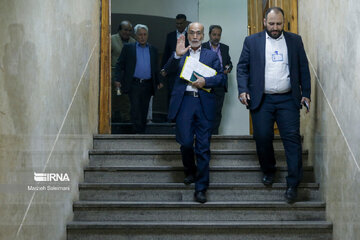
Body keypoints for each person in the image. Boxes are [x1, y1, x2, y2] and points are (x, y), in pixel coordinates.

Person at [237, 7, 311, 203]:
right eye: (271, 24)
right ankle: (269, 170)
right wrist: (243, 89)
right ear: (264, 22)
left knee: (292, 140)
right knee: (262, 137)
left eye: (279, 24)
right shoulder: (252, 41)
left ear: (283, 22)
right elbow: (242, 68)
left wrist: (307, 94)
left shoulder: (295, 41)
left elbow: (303, 68)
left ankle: (293, 184)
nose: (275, 28)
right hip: (262, 100)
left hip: (288, 99)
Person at [166, 22, 226, 203]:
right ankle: (190, 170)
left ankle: (201, 188)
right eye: (191, 33)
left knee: (203, 147)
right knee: (185, 143)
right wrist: (176, 55)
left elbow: (221, 77)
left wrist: (205, 82)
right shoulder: (180, 54)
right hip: (184, 103)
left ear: (202, 36)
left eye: (198, 33)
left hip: (204, 104)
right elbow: (165, 71)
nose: (194, 36)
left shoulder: (210, 55)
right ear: (187, 34)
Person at [115, 24, 162, 134]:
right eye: (140, 34)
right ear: (135, 36)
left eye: (145, 34)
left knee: (144, 109)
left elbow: (156, 67)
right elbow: (120, 64)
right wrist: (117, 79)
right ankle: (137, 132)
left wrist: (159, 81)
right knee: (135, 108)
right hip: (134, 84)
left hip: (148, 84)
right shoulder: (128, 48)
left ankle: (141, 131)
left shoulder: (153, 49)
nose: (142, 37)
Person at [202, 25, 233, 134]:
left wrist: (228, 68)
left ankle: (215, 136)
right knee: (205, 111)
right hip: (205, 85)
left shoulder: (225, 48)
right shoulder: (203, 47)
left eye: (218, 35)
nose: (216, 37)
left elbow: (229, 64)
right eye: (214, 34)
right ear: (210, 34)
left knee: (217, 112)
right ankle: (205, 134)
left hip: (220, 84)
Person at [160, 14, 189, 107]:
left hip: (185, 71)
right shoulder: (170, 36)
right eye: (177, 23)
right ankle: (170, 119)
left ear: (185, 23)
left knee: (184, 96)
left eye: (181, 23)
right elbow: (166, 54)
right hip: (172, 71)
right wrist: (163, 69)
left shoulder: (191, 36)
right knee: (171, 94)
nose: (179, 25)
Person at [111, 20, 136, 123]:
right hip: (113, 73)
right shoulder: (111, 39)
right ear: (120, 30)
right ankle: (111, 118)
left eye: (130, 30)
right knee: (112, 97)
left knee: (126, 98)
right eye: (125, 30)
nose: (127, 32)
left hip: (127, 75)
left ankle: (126, 118)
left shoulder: (133, 42)